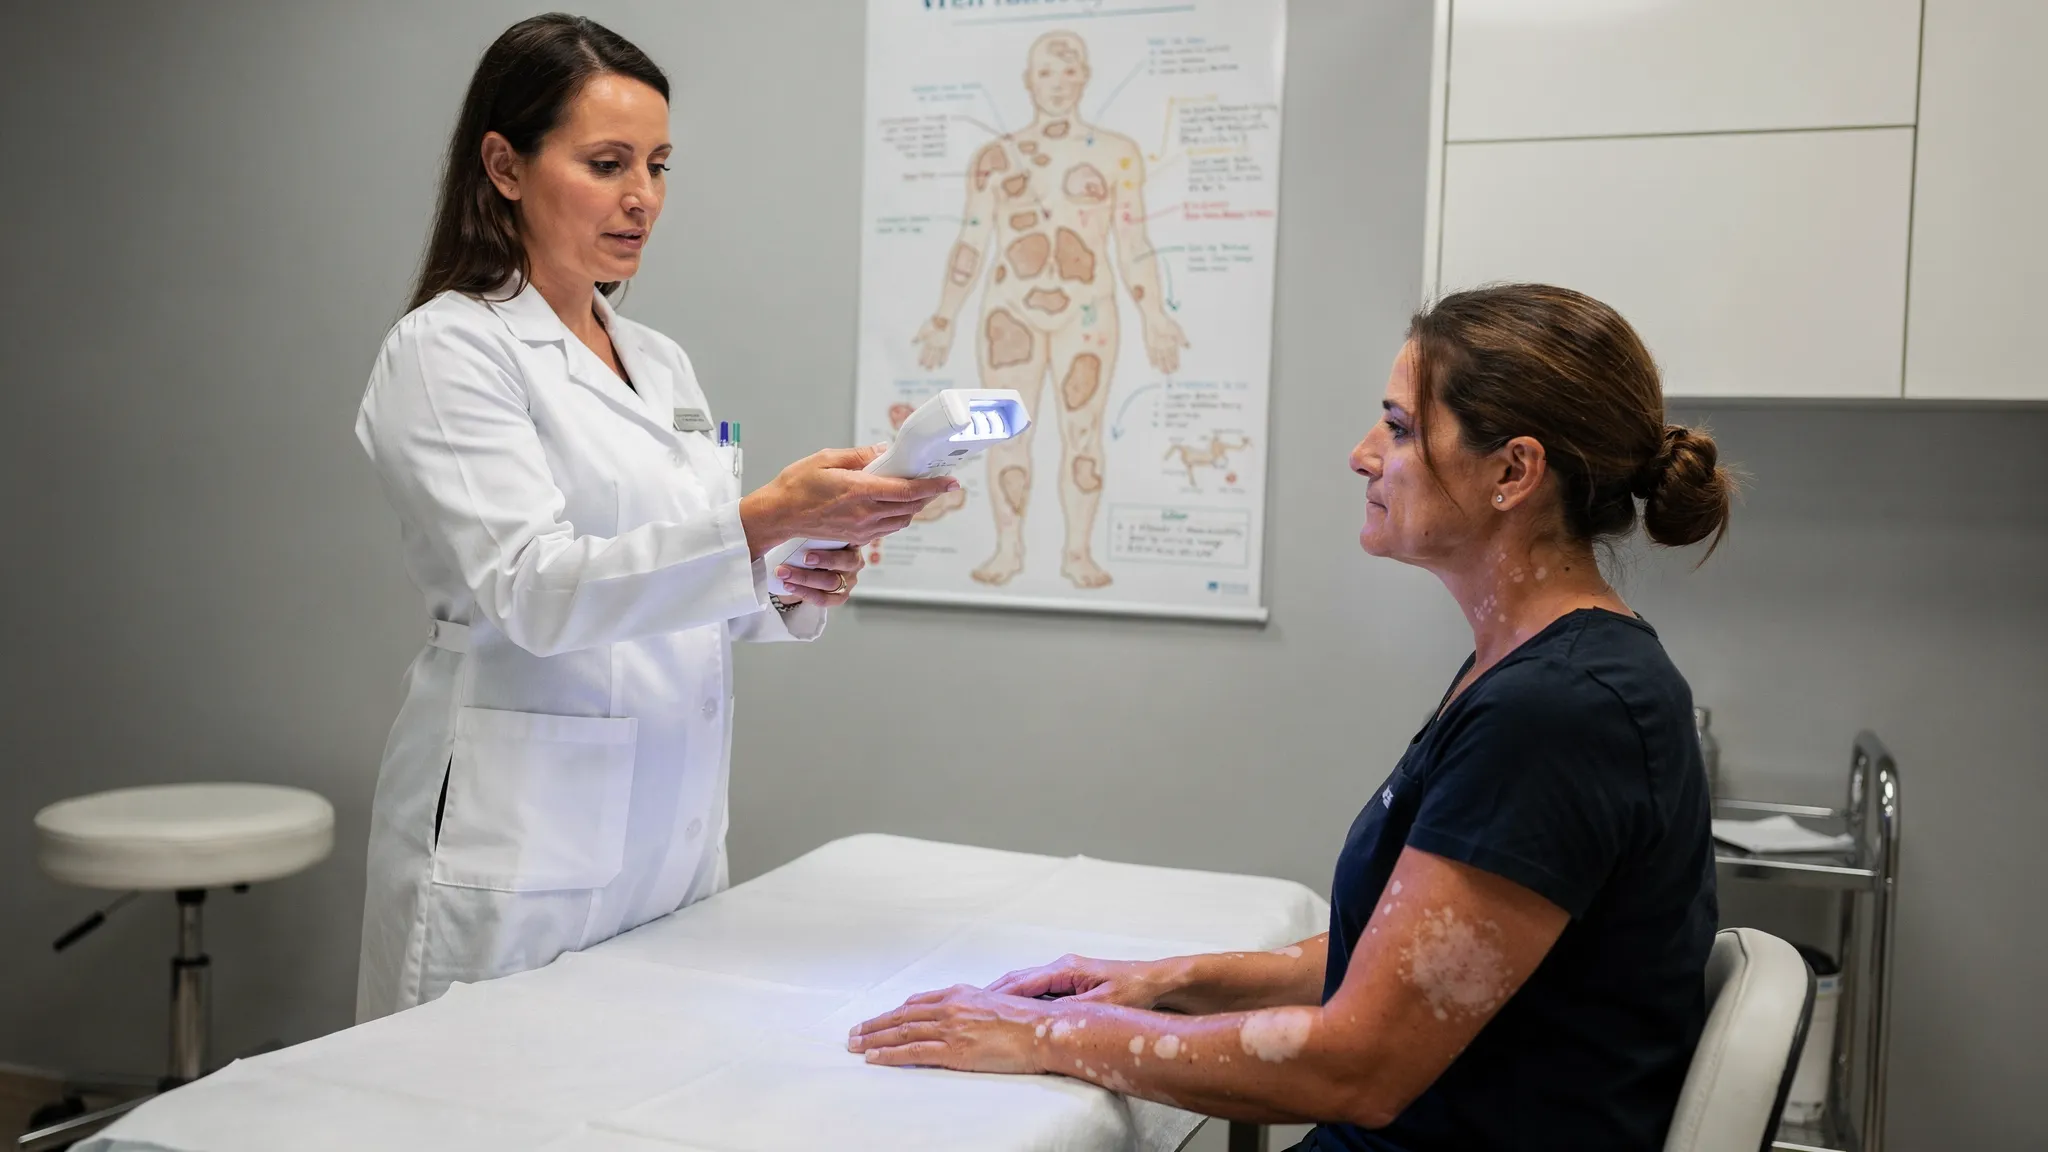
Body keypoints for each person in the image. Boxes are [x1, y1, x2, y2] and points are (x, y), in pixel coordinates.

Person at [848, 284, 1733, 1150]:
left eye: (1397, 426)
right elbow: (1407, 963)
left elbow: (1358, 1069)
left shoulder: (1559, 712)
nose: (1361, 453)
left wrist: (1041, 1038)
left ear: (1512, 471)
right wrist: (1160, 984)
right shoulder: (1542, 671)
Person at [352, 14, 955, 1022]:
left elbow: (687, 580)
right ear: (504, 164)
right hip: (527, 847)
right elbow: (533, 592)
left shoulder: (656, 361)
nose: (643, 198)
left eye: (659, 165)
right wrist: (758, 523)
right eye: (606, 163)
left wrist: (800, 560)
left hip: (665, 840)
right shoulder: (447, 351)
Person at [911, 30, 1188, 589]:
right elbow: (971, 241)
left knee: (1082, 435)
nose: (1059, 84)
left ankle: (1077, 553)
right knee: (1005, 436)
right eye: (1046, 73)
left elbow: (1133, 244)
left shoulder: (1117, 155)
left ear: (1085, 77)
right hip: (1010, 310)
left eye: (1069, 72)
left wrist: (1155, 316)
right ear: (1027, 81)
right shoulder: (996, 157)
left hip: (1087, 312)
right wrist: (943, 316)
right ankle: (1009, 549)